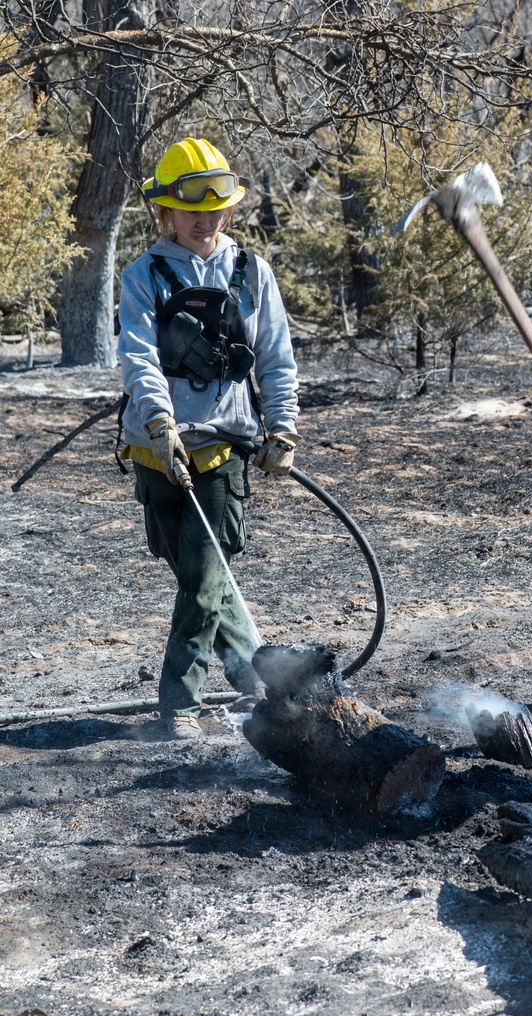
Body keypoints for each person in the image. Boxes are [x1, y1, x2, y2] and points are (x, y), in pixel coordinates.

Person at [117, 136, 299, 740]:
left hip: (222, 449)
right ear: (164, 211)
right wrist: (162, 424)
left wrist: (283, 425)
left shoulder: (252, 273)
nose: (205, 221)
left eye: (216, 208)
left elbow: (275, 355)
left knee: (201, 578)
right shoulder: (142, 276)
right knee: (201, 578)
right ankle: (264, 680)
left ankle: (179, 706)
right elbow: (139, 358)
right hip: (154, 450)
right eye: (191, 210)